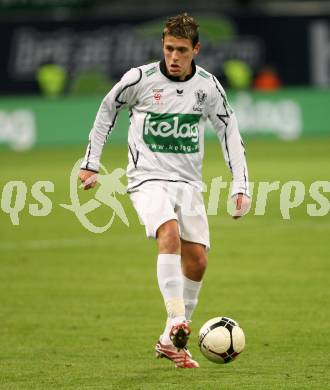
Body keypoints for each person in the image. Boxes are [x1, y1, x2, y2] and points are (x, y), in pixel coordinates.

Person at [78, 13, 250, 369]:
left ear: (196, 50)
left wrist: (241, 185)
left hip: (188, 183)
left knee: (198, 260)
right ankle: (175, 319)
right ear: (162, 45)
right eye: (169, 48)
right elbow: (106, 110)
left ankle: (168, 341)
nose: (174, 56)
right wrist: (91, 162)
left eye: (182, 50)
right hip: (147, 177)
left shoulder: (208, 87)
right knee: (167, 232)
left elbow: (229, 130)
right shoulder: (139, 79)